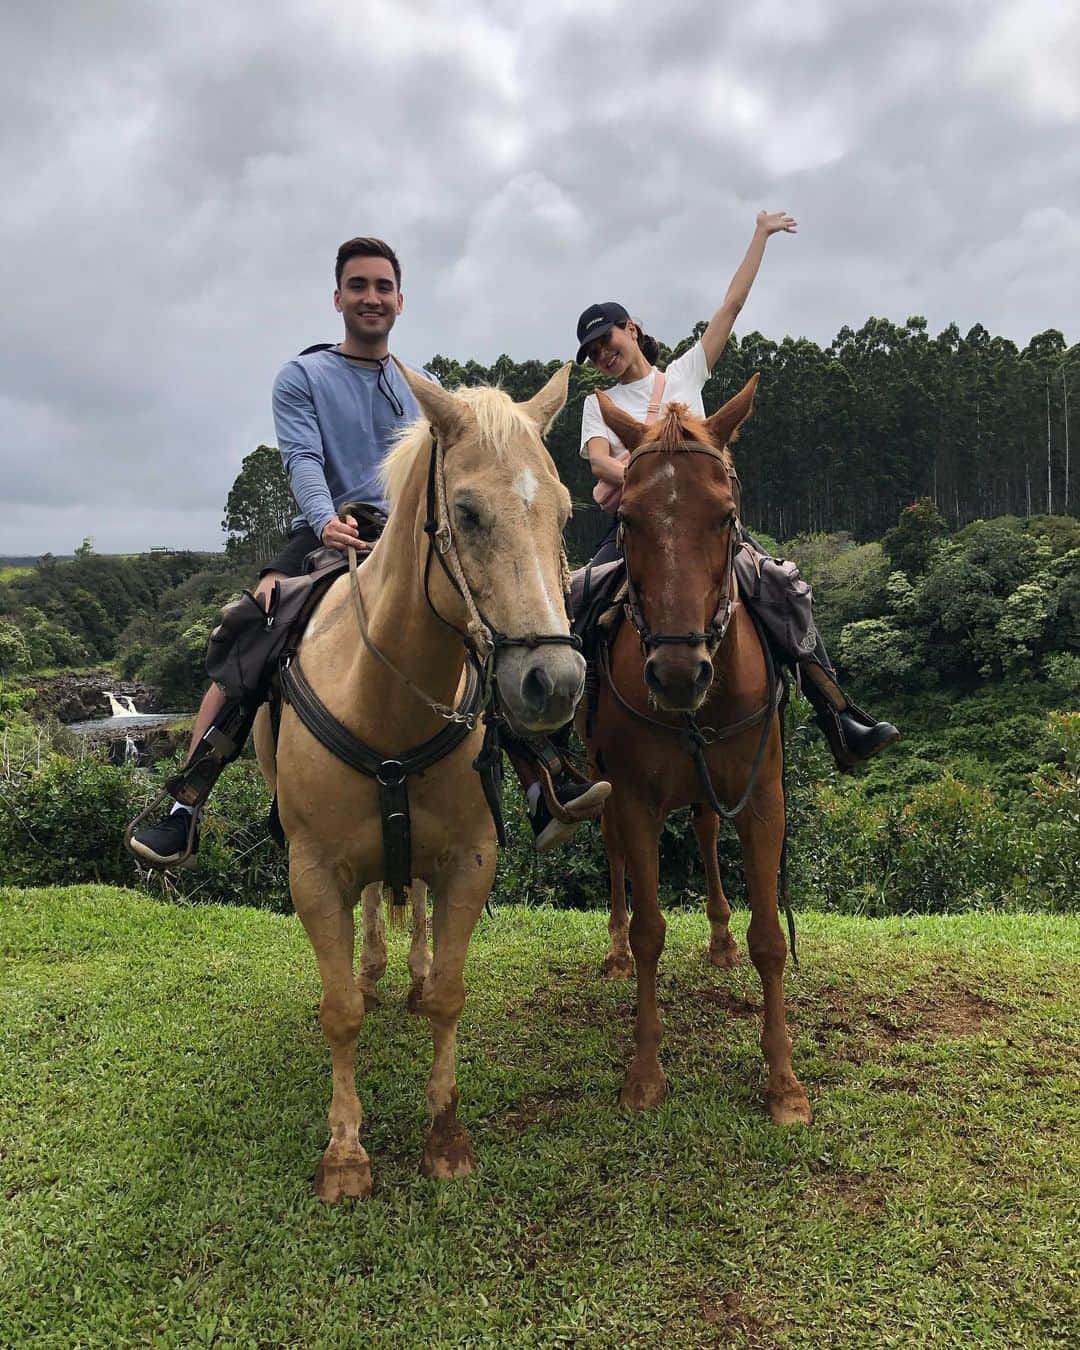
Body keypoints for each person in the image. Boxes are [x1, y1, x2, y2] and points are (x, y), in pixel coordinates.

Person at [129, 236, 606, 868]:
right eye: (358, 286)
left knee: (484, 623)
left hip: (409, 533)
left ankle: (541, 776)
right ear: (338, 298)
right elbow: (301, 458)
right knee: (251, 628)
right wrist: (325, 521)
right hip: (329, 530)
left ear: (400, 300)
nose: (371, 297)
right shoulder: (302, 376)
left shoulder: (426, 386)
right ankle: (186, 801)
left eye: (383, 287)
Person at [575, 210, 898, 771]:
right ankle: (568, 741)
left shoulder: (683, 374)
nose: (603, 355)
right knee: (576, 600)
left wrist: (761, 235)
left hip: (707, 527)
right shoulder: (596, 405)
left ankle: (840, 715)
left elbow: (730, 306)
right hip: (639, 531)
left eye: (607, 340)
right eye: (593, 352)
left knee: (783, 590)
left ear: (631, 329)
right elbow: (600, 465)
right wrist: (649, 474)